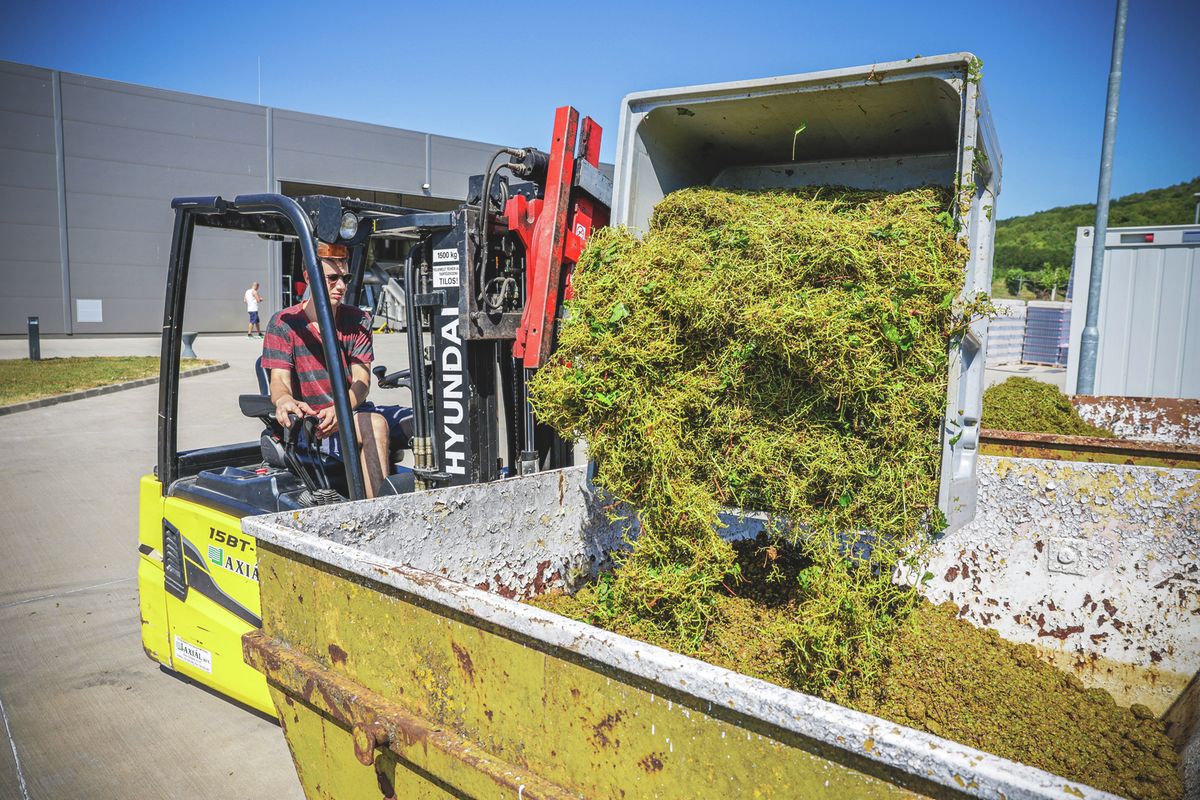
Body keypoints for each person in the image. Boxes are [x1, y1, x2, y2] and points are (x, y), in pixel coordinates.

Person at [260, 243, 390, 498]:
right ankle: (380, 518)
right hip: (314, 423)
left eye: (345, 278)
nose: (342, 286)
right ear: (309, 277)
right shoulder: (284, 323)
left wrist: (342, 410)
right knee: (373, 425)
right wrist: (285, 400)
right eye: (332, 278)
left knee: (425, 418)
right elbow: (279, 381)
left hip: (348, 412)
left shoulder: (357, 320)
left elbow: (362, 380)